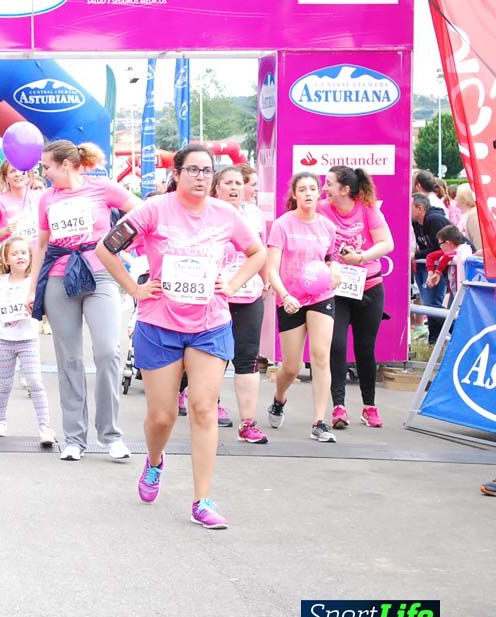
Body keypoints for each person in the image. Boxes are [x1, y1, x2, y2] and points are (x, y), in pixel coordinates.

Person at [96, 143, 265, 528]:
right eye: (193, 170)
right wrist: (134, 289)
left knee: (204, 409)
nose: (201, 177)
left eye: (207, 171)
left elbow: (257, 253)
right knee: (162, 415)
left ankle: (202, 500)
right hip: (159, 324)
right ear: (177, 174)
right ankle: (155, 461)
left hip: (210, 323)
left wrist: (233, 281)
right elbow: (107, 248)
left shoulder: (226, 214)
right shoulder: (154, 210)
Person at [29, 140, 140, 462]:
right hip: (59, 277)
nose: (44, 172)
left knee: (108, 351)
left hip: (101, 274)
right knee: (70, 359)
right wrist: (32, 287)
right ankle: (75, 438)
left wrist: (122, 241)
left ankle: (111, 434)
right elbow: (41, 243)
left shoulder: (102, 187)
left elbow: (143, 211)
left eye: (47, 166)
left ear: (65, 164)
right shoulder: (46, 198)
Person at [319, 165, 395, 430]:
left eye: (328, 183)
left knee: (365, 348)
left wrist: (360, 257)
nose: (323, 188)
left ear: (345, 189)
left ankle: (369, 406)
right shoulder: (322, 209)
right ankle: (338, 406)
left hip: (369, 285)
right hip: (337, 289)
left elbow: (387, 243)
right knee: (336, 345)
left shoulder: (367, 208)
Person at [266, 173, 340, 442]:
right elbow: (271, 268)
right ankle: (279, 398)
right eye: (303, 189)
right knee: (292, 367)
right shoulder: (282, 225)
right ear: (294, 194)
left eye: (313, 189)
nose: (308, 193)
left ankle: (320, 421)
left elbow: (331, 259)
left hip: (321, 296)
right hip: (290, 300)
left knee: (321, 356)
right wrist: (284, 295)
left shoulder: (327, 227)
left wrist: (336, 271)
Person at [0, 237, 56, 445]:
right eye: (14, 253)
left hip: (28, 340)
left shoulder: (33, 282)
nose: (20, 257)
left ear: (31, 257)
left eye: (24, 253)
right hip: (4, 340)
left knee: (35, 381)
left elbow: (48, 307)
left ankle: (45, 427)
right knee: (5, 384)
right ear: (6, 259)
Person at [213, 166, 269, 442]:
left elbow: (262, 252)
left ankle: (248, 423)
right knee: (215, 358)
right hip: (214, 296)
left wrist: (267, 280)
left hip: (249, 295)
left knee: (247, 358)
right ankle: (210, 406)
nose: (235, 188)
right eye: (228, 183)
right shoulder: (208, 213)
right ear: (217, 188)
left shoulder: (254, 215)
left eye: (239, 182)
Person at [411, 192, 451, 344]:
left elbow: (441, 247)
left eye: (410, 207)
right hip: (430, 265)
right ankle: (434, 340)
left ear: (420, 208)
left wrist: (416, 254)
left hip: (448, 264)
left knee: (434, 305)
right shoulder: (416, 222)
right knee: (430, 305)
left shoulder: (435, 220)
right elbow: (427, 247)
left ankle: (457, 333)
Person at [0, 161, 40, 246]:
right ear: (6, 178)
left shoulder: (39, 197)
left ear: (28, 175)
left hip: (39, 253)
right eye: (12, 171)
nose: (17, 174)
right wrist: (5, 230)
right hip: (14, 255)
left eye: (21, 170)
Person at [426, 225, 473, 295]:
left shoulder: (464, 249)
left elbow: (447, 256)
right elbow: (430, 256)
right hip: (454, 290)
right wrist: (430, 273)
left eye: (440, 244)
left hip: (463, 290)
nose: (440, 246)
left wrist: (438, 272)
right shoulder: (447, 251)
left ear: (448, 243)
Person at [455, 184, 482, 251]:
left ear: (464, 199)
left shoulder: (474, 215)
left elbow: (478, 243)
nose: (455, 198)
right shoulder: (467, 214)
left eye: (457, 196)